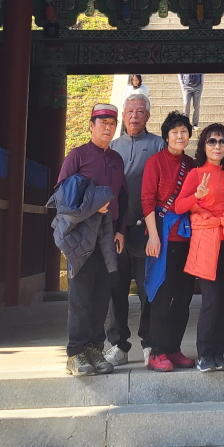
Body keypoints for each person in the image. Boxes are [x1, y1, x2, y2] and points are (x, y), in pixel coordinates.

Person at [53, 103, 127, 376]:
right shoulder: (78, 156)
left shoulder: (116, 159)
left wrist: (121, 230)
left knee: (101, 294)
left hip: (108, 235)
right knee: (81, 295)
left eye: (112, 123)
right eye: (102, 122)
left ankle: (95, 348)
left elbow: (123, 197)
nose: (108, 128)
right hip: (82, 233)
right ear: (91, 126)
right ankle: (76, 353)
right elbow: (62, 197)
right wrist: (93, 207)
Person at [174, 123, 224, 371]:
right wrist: (197, 196)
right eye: (212, 141)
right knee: (211, 301)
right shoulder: (196, 174)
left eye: (222, 141)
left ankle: (218, 353)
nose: (217, 146)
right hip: (205, 241)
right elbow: (179, 206)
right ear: (204, 146)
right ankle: (204, 353)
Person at [105, 94, 165, 367]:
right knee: (116, 288)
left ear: (148, 116)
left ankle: (149, 342)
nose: (134, 116)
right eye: (129, 111)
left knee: (146, 289)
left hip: (145, 230)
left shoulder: (157, 145)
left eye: (140, 111)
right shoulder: (112, 146)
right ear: (123, 115)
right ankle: (118, 344)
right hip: (117, 230)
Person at [142, 111, 198, 372]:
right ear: (166, 136)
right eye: (174, 132)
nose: (179, 136)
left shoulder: (191, 164)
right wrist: (153, 236)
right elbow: (147, 200)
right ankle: (157, 350)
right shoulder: (155, 162)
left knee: (183, 295)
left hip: (186, 237)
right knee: (162, 294)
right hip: (162, 236)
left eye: (184, 131)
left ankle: (174, 348)